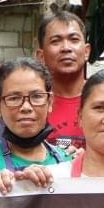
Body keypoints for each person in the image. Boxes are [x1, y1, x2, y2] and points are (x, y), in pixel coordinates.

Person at [0, 58, 75, 182]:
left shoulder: (68, 160)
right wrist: (17, 185)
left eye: (36, 96)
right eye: (14, 98)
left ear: (50, 102)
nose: (26, 107)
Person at [38, 9, 91, 150]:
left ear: (86, 51)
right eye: (56, 41)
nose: (66, 48)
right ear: (41, 56)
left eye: (74, 40)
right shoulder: (32, 102)